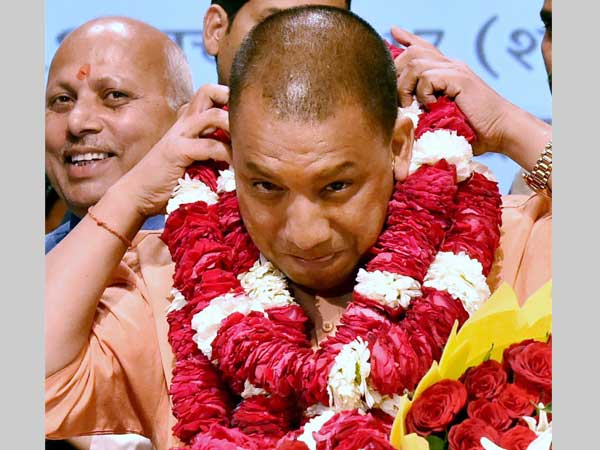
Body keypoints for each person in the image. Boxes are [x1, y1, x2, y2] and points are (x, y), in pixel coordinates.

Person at [46, 6, 551, 449]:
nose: (304, 233)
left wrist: (509, 126)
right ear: (230, 157)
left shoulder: (504, 245)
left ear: (399, 146)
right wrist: (131, 196)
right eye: (266, 187)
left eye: (336, 186)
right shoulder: (174, 281)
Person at [44, 15, 195, 450]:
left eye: (114, 97)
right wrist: (129, 199)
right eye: (61, 101)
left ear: (184, 119)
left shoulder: (255, 251)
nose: (78, 122)